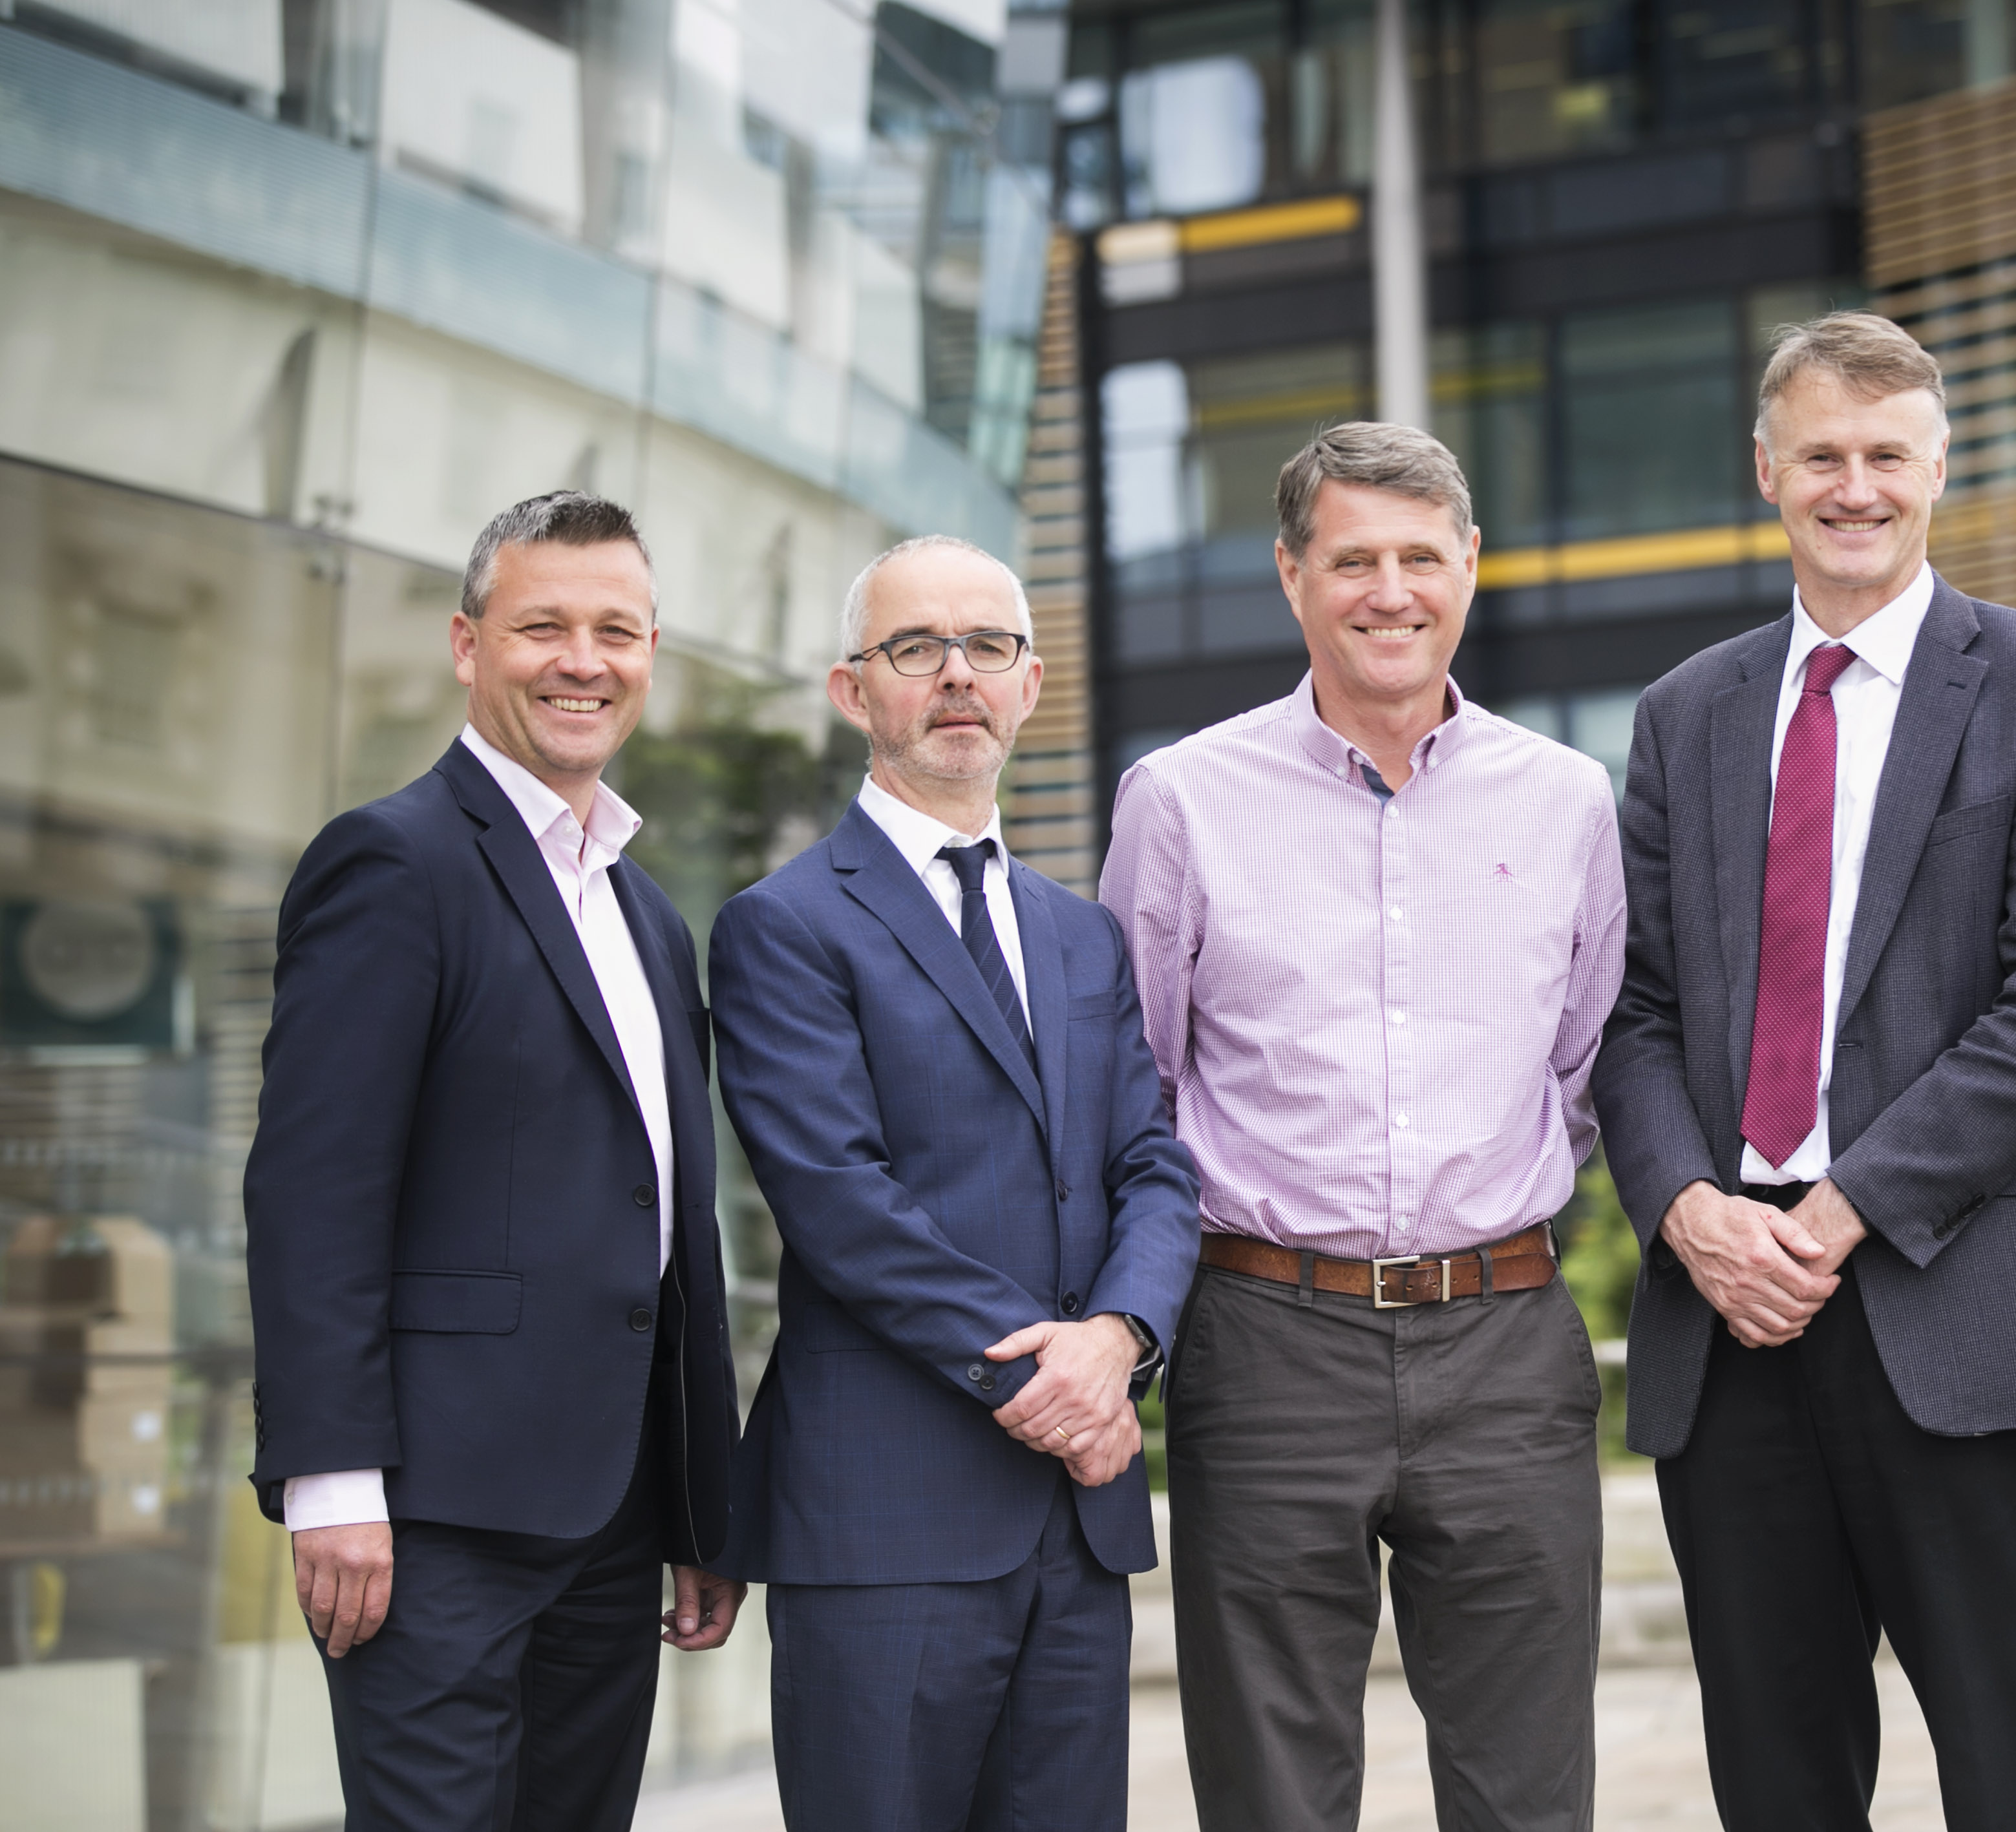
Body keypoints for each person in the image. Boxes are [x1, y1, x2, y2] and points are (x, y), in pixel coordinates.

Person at [1591, 313, 2016, 1831]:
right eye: (1822, 454)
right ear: (1765, 468)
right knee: (1774, 1778)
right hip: (1729, 1322)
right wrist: (1691, 1214)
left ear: (1936, 471)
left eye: (1885, 455)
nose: (1854, 486)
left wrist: (1835, 1212)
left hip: (1958, 1301)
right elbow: (1629, 1011)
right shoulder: (1683, 713)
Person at [1099, 422, 1626, 1832]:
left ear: (1469, 568)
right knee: (1271, 1787)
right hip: (1267, 1341)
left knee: (1527, 1790)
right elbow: (1132, 1087)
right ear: (1291, 577)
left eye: (1418, 556)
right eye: (1351, 560)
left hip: (1504, 1340)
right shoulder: (1179, 801)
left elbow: (1579, 1065)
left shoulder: (1569, 799)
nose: (1387, 590)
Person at [244, 491, 744, 1832]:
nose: (583, 659)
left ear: (651, 653)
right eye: (543, 626)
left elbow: (673, 1225)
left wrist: (700, 1503)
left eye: (617, 630)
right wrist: (332, 1480)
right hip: (431, 1514)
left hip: (614, 1512)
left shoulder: (646, 913)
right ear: (469, 646)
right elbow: (313, 1191)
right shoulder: (391, 863)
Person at [709, 534, 1200, 1832]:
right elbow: (838, 1199)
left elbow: (1151, 1161)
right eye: (915, 647)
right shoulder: (784, 924)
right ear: (849, 688)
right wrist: (1048, 1384)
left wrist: (1119, 1338)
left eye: (986, 645)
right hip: (884, 1520)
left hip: (1070, 1519)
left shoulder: (1078, 932)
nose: (955, 675)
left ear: (1031, 682)